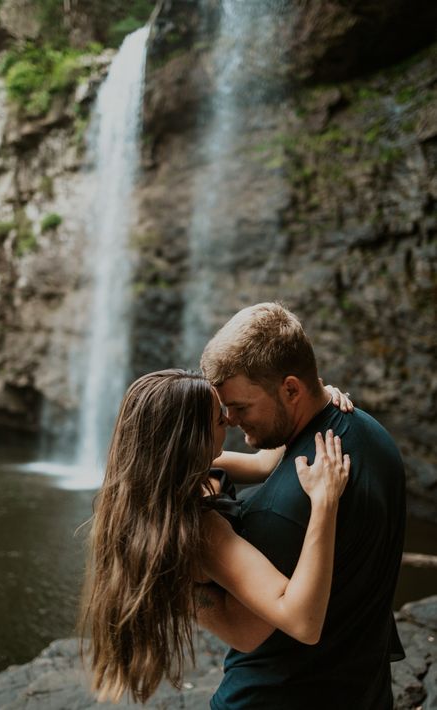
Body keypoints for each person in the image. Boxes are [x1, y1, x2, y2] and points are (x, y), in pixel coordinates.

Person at [80, 368, 350, 704]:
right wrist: (325, 503)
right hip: (274, 681)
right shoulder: (204, 531)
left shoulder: (169, 476)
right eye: (220, 421)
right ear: (191, 439)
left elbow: (264, 464)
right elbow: (303, 622)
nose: (232, 421)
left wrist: (313, 403)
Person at [199, 301, 406, 710]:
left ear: (291, 389)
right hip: (362, 691)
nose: (232, 420)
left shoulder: (282, 509)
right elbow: (262, 462)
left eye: (240, 407)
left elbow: (244, 629)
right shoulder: (371, 434)